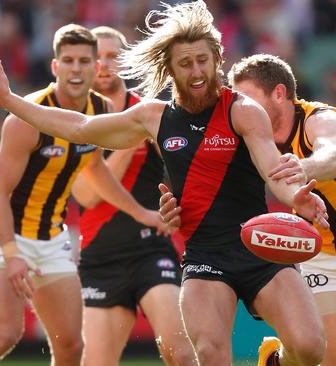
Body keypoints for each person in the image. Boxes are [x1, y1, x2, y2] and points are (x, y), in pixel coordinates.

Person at [0, 2, 331, 365]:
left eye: (203, 60)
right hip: (205, 257)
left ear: (218, 58)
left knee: (310, 347)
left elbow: (273, 171)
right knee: (208, 354)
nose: (197, 71)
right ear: (170, 70)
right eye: (185, 64)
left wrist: (294, 197)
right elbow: (79, 127)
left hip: (257, 247)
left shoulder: (243, 111)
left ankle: (273, 361)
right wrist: (10, 100)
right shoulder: (154, 117)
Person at [161, 54, 336, 366]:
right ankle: (278, 360)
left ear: (280, 94)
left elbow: (334, 157)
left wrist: (302, 166)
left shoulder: (320, 119)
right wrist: (174, 207)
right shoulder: (247, 136)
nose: (239, 106)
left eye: (247, 97)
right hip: (322, 252)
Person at [0, 24, 131, 366]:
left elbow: (94, 169)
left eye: (84, 61)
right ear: (55, 67)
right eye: (68, 60)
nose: (76, 69)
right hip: (2, 230)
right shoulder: (25, 117)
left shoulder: (103, 110)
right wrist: (12, 254)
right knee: (5, 333)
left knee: (71, 347)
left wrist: (143, 213)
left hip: (50, 236)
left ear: (96, 67)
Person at [70, 26, 196, 366]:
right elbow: (86, 195)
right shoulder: (78, 120)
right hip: (100, 254)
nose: (104, 64)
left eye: (113, 56)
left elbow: (186, 169)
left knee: (181, 353)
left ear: (126, 62)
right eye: (97, 58)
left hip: (150, 247)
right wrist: (129, 133)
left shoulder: (152, 113)